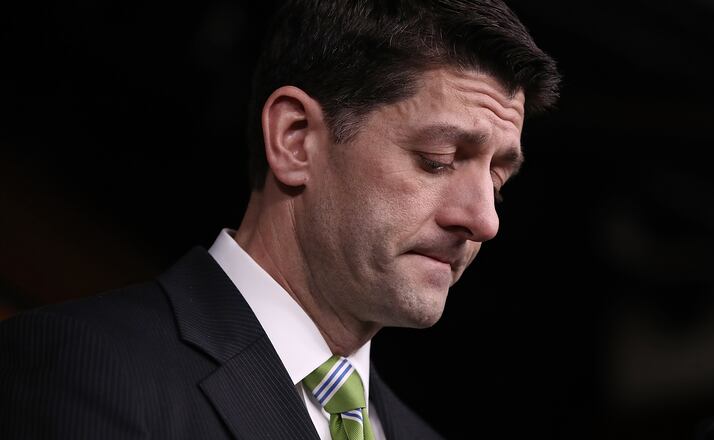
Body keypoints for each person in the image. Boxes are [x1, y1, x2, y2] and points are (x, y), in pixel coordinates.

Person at [0, 0, 560, 438]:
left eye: (497, 182)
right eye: (437, 160)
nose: (485, 221)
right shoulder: (84, 367)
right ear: (295, 140)